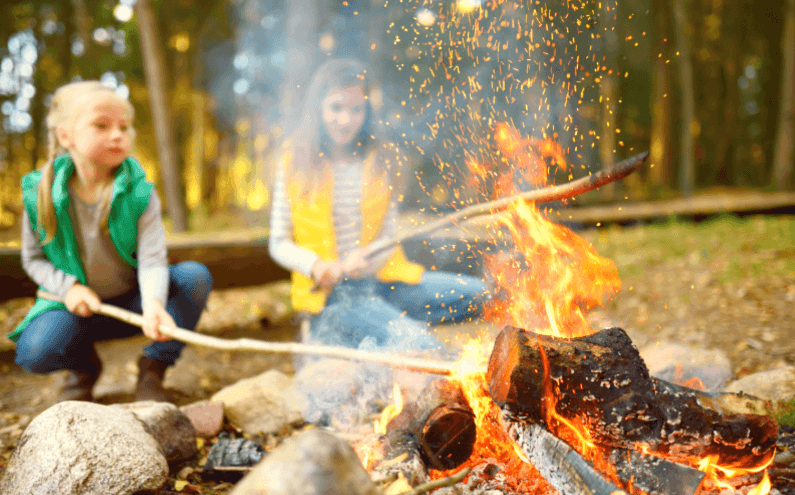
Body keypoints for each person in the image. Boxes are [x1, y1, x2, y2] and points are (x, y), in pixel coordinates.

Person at [7, 80, 213, 403]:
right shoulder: (39, 193)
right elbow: (34, 259)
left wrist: (154, 303)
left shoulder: (140, 193)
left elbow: (152, 259)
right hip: (77, 311)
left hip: (134, 302)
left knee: (194, 277)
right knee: (35, 350)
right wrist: (68, 288)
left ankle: (152, 370)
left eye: (124, 127)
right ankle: (84, 368)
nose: (118, 135)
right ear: (66, 136)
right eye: (101, 125)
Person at [268, 58, 489, 353]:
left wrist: (370, 262)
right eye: (336, 107)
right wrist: (318, 266)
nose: (345, 119)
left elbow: (388, 234)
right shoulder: (294, 161)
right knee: (419, 345)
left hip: (388, 284)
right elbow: (278, 242)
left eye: (355, 109)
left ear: (367, 112)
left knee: (486, 295)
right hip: (334, 297)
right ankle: (381, 329)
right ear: (318, 108)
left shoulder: (382, 160)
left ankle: (388, 323)